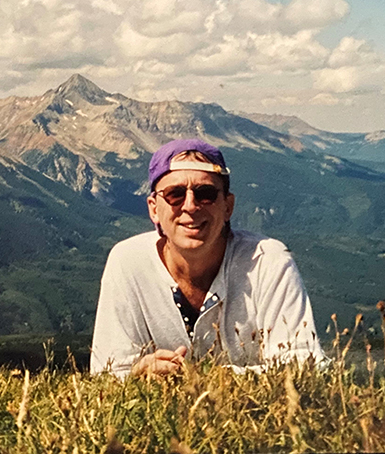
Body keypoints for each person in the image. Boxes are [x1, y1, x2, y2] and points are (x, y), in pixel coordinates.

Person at [91, 138, 325, 377]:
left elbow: (306, 366)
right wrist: (137, 374)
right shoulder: (127, 262)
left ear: (227, 206)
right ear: (154, 209)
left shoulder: (268, 260)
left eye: (206, 194)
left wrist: (211, 379)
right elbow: (106, 374)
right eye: (175, 194)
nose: (191, 206)